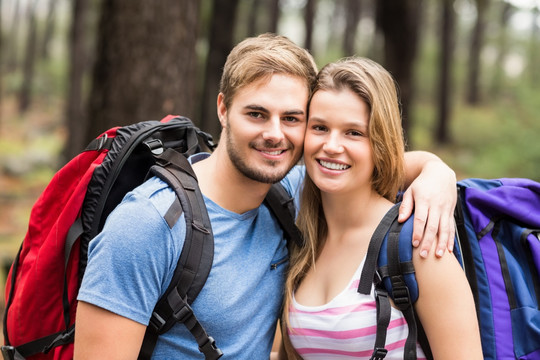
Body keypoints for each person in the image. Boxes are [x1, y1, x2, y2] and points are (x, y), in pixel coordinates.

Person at [74, 34, 458, 360]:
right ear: (223, 109)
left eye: (292, 119)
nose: (275, 134)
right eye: (256, 114)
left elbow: (365, 163)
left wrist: (436, 172)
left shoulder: (287, 194)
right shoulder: (149, 225)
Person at [278, 57, 482, 359]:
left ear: (380, 143)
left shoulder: (418, 242)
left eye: (354, 132)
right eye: (320, 127)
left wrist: (437, 169)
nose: (332, 145)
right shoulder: (301, 232)